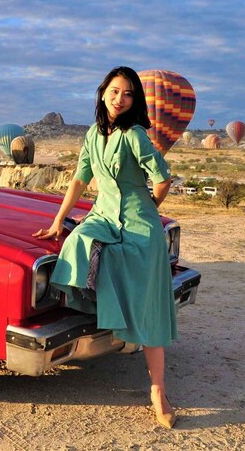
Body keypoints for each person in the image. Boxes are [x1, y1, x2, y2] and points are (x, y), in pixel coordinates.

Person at [33, 66, 177, 429]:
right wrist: (57, 220)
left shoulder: (135, 135)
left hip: (138, 221)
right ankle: (106, 320)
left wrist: (145, 211)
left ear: (135, 100)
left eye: (128, 94)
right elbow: (81, 178)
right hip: (102, 215)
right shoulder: (92, 135)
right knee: (77, 242)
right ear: (102, 93)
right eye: (115, 91)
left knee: (149, 308)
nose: (120, 99)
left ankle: (157, 389)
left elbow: (163, 180)